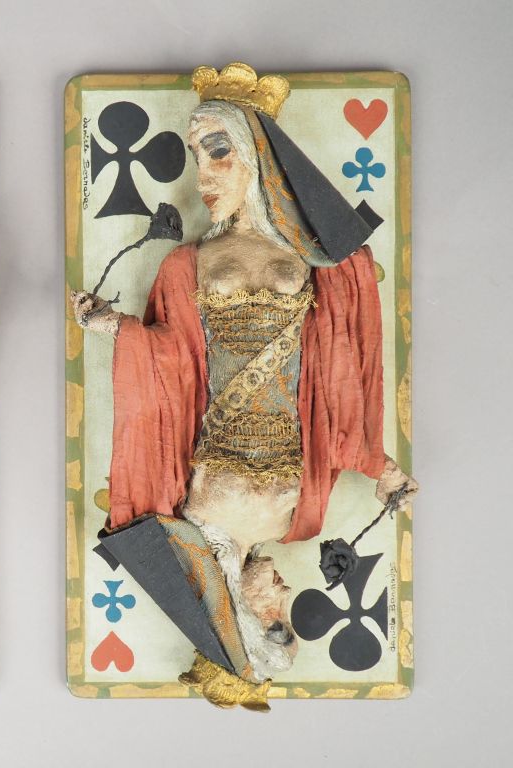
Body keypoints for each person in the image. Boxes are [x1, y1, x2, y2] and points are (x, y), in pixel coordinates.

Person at [71, 63, 417, 692]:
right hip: (233, 472)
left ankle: (238, 644)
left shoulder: (317, 262)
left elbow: (339, 365)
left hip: (245, 485)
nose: (203, 176)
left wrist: (377, 461)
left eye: (218, 151)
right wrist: (114, 328)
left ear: (259, 155)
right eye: (195, 156)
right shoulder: (186, 264)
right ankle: (239, 645)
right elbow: (173, 365)